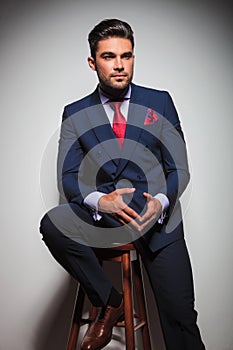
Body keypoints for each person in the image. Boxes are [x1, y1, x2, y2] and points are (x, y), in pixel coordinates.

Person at [40, 18, 205, 350]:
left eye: (126, 56)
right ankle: (108, 300)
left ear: (133, 57)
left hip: (157, 221)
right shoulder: (74, 113)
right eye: (109, 57)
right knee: (53, 223)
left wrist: (161, 200)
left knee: (181, 318)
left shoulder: (159, 102)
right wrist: (101, 202)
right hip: (107, 218)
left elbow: (180, 168)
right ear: (93, 62)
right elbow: (68, 178)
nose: (119, 65)